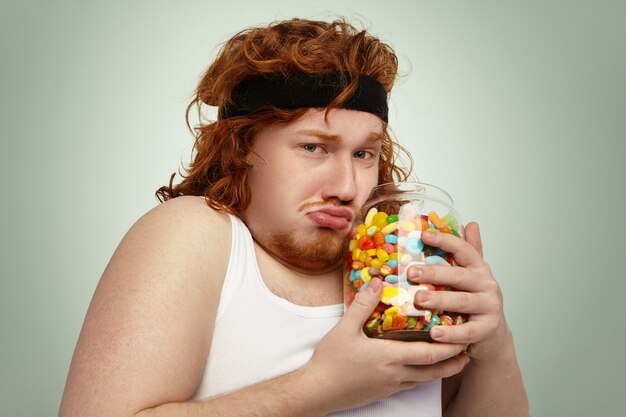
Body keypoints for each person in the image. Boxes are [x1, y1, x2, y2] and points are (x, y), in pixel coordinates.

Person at [59, 18, 528, 417]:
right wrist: (320, 386)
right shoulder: (196, 233)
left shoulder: (397, 265)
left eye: (364, 153)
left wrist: (494, 343)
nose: (347, 186)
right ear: (241, 149)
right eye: (313, 147)